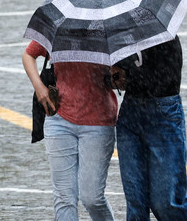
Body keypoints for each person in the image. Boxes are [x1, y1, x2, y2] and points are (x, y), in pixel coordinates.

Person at [23, 40, 118, 221]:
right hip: (59, 119)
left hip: (98, 122)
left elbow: (121, 78)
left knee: (92, 198)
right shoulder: (59, 26)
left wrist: (117, 77)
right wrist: (39, 87)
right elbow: (28, 54)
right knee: (64, 197)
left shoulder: (107, 30)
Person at [109, 36, 187, 221]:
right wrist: (115, 74)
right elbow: (119, 78)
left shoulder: (163, 34)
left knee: (166, 203)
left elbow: (165, 78)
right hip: (131, 113)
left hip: (163, 113)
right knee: (136, 202)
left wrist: (132, 73)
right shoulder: (122, 36)